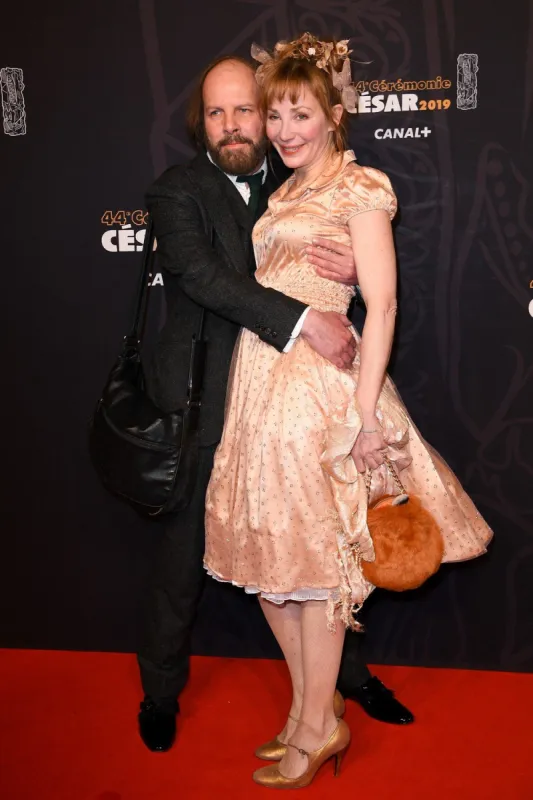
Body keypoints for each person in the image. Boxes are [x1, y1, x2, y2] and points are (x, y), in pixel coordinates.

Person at [203, 33, 493, 788]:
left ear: (333, 116)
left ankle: (312, 725)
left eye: (299, 115)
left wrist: (364, 415)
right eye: (275, 116)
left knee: (320, 568)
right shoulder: (283, 193)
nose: (283, 130)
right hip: (260, 390)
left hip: (323, 396)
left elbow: (386, 302)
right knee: (273, 572)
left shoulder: (360, 188)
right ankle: (314, 708)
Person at [137, 52, 413, 754]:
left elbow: (334, 232)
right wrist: (300, 317)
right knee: (183, 558)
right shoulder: (178, 189)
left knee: (318, 549)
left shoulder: (292, 182)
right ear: (200, 123)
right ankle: (161, 693)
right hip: (205, 401)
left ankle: (340, 691)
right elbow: (201, 275)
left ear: (267, 118)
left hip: (290, 404)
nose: (234, 124)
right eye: (216, 112)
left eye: (245, 110)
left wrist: (356, 259)